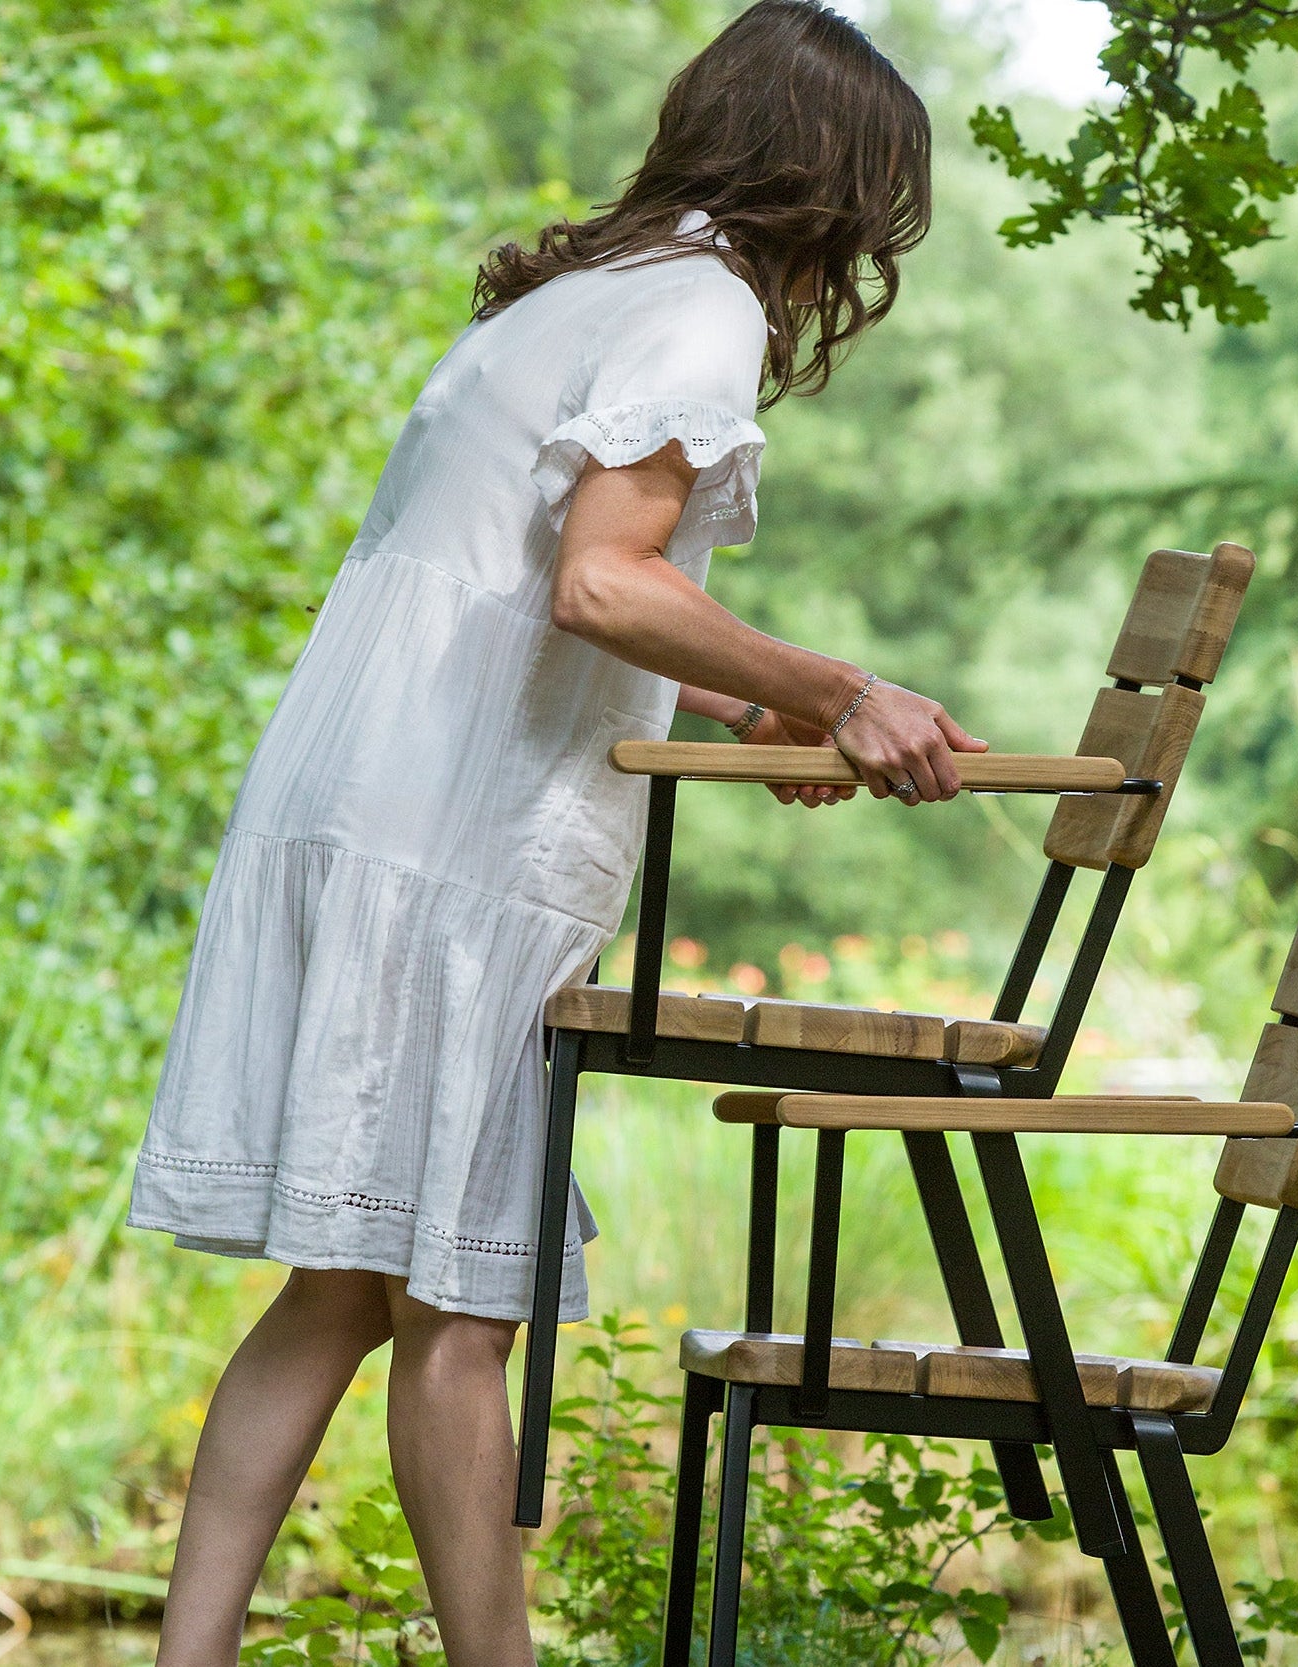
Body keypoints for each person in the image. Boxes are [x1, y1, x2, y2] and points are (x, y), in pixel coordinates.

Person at [127, 3, 987, 1663]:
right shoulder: (702, 308)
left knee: (339, 1291)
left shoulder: (577, 293)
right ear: (830, 184)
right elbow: (603, 580)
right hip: (450, 844)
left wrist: (744, 708)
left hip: (352, 800)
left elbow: (532, 582)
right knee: (460, 1312)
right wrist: (844, 688)